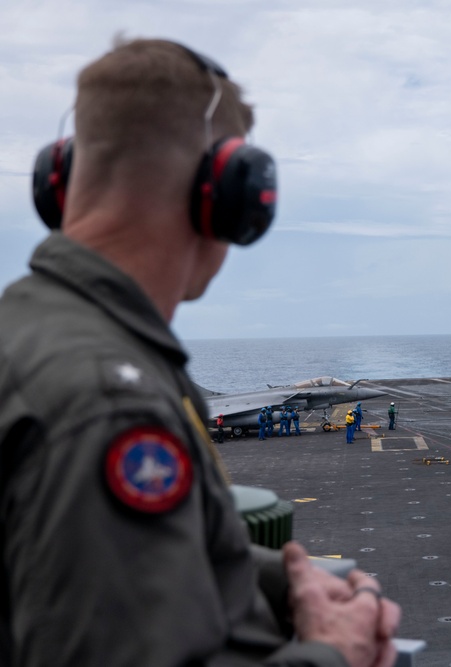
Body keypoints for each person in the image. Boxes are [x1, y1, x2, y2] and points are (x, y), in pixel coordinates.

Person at [0, 38, 399, 667]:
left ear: (61, 181)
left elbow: (102, 564)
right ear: (232, 191)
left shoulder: (34, 333)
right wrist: (335, 653)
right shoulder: (107, 402)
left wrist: (272, 579)